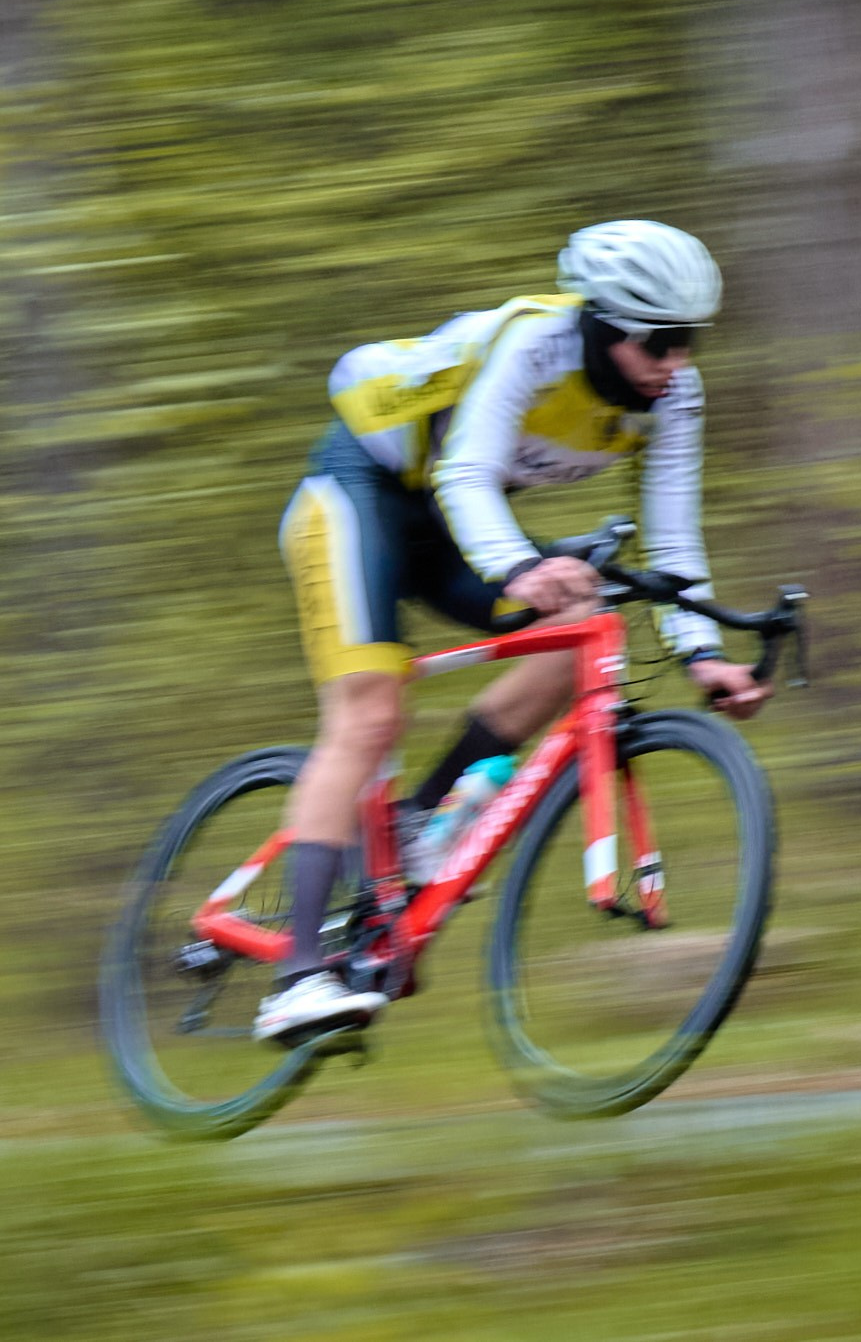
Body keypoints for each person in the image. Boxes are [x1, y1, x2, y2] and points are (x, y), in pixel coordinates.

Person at [256, 220, 772, 1044]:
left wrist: (702, 654)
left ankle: (418, 822)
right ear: (601, 327)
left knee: (586, 623)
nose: (675, 363)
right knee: (369, 715)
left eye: (689, 342)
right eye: (658, 342)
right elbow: (466, 470)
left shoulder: (675, 396)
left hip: (452, 526)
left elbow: (672, 539)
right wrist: (517, 568)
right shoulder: (536, 345)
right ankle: (295, 980)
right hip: (360, 493)